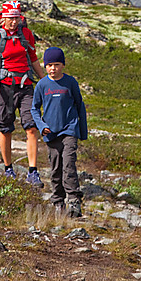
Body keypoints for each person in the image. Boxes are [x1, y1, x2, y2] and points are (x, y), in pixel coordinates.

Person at [0, 0, 46, 187]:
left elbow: (33, 58)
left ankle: (33, 172)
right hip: (4, 88)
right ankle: (8, 168)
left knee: (31, 127)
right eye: (11, 18)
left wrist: (44, 81)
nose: (14, 21)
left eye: (17, 18)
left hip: (26, 85)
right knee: (5, 128)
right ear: (4, 17)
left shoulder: (26, 34)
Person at [31, 47, 88, 217]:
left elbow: (80, 106)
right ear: (45, 66)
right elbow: (34, 109)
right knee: (55, 167)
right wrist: (41, 126)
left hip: (69, 130)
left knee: (69, 164)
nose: (53, 68)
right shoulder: (42, 85)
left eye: (56, 64)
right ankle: (58, 202)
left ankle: (74, 201)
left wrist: (81, 131)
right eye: (49, 65)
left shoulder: (70, 83)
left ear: (62, 65)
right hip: (51, 133)